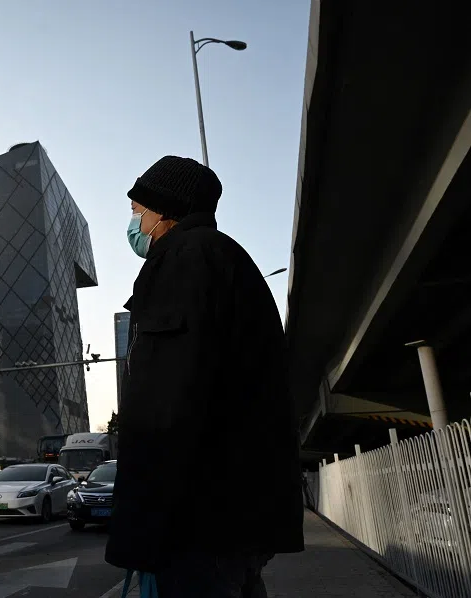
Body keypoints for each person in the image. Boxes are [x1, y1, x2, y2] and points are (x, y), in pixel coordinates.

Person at [105, 156, 304, 597]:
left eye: (139, 211)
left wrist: (146, 523)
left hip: (197, 521)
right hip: (234, 514)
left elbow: (167, 401)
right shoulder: (226, 258)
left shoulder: (184, 261)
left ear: (165, 210)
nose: (135, 222)